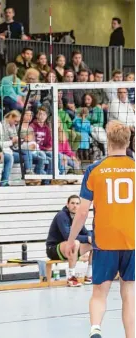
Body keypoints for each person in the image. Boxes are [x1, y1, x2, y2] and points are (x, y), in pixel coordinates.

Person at [66, 120, 135, 338]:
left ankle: (96, 328)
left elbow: (83, 212)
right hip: (132, 238)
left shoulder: (94, 170)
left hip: (105, 239)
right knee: (129, 293)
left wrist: (71, 240)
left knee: (99, 291)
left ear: (108, 141)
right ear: (128, 140)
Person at [46, 195, 93, 287]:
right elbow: (68, 236)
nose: (75, 206)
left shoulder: (77, 217)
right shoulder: (61, 216)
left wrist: (91, 237)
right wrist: (87, 238)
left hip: (68, 249)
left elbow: (86, 232)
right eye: (72, 203)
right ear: (67, 204)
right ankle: (71, 278)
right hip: (53, 249)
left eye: (77, 203)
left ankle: (89, 275)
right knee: (74, 242)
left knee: (95, 243)